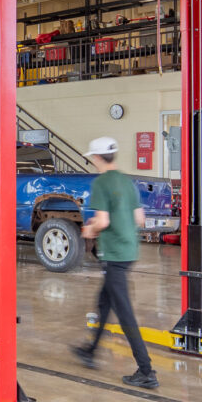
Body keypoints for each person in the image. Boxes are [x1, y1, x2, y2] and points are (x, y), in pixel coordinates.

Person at [71, 136, 158, 389]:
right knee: (104, 302)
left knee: (124, 313)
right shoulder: (127, 181)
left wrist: (89, 230)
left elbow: (103, 222)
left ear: (97, 158)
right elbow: (140, 218)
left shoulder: (102, 184)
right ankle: (90, 350)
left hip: (114, 256)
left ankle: (146, 370)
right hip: (129, 251)